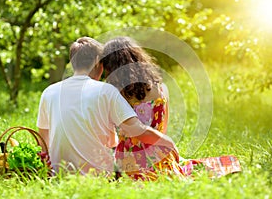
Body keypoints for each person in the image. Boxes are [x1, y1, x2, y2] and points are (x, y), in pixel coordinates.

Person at [101, 36, 242, 180]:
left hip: (129, 161)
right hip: (161, 155)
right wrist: (165, 145)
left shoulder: (116, 94)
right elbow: (163, 128)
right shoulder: (161, 88)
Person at [36, 37, 178, 176]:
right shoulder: (106, 91)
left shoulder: (49, 92)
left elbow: (42, 141)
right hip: (99, 172)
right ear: (98, 62)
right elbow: (138, 130)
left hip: (59, 172)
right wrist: (169, 143)